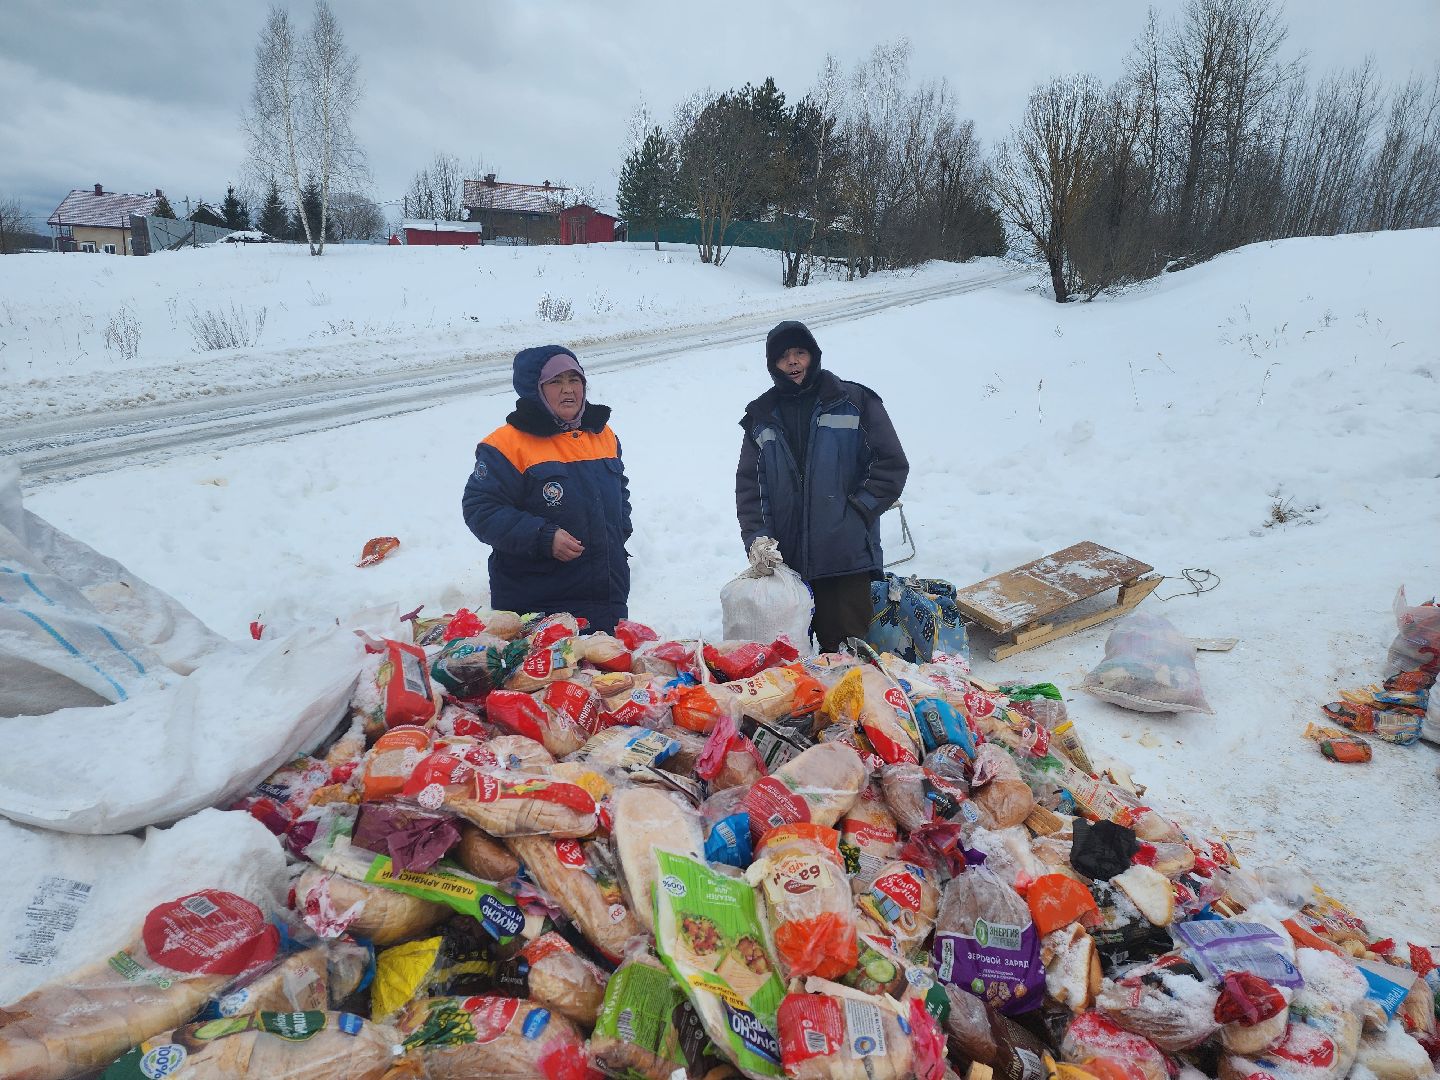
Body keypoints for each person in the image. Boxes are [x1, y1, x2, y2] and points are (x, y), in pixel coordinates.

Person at [735, 320, 909, 653]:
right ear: (773, 364)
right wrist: (758, 538)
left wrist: (857, 512)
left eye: (800, 353)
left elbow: (890, 464)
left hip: (844, 560)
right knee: (789, 667)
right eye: (784, 357)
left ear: (813, 355)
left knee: (847, 661)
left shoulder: (853, 400)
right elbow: (752, 488)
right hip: (785, 565)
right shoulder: (761, 416)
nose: (793, 362)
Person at [463, 345, 631, 633]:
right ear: (534, 389)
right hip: (539, 605)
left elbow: (620, 492)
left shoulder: (602, 434)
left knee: (608, 677)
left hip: (607, 597)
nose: (568, 390)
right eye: (555, 382)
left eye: (574, 379)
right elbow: (481, 509)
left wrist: (618, 530)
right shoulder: (506, 445)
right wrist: (542, 537)